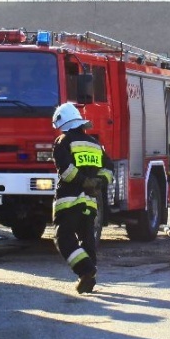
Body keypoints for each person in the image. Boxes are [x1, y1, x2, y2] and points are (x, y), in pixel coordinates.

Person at [51, 102, 113, 294]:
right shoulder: (95, 144)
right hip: (90, 202)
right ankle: (88, 279)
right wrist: (98, 182)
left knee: (63, 239)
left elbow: (66, 171)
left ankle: (86, 271)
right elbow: (109, 169)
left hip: (69, 201)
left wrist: (83, 181)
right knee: (88, 240)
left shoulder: (64, 141)